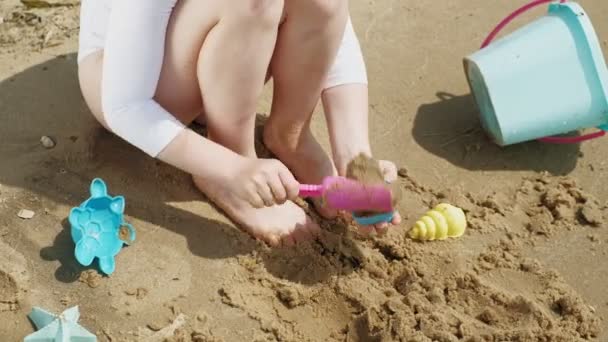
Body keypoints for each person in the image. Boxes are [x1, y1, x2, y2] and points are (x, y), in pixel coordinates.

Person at [76, 0, 402, 247]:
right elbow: (124, 105)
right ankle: (230, 155)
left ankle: (291, 136)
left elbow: (331, 21)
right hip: (125, 83)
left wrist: (356, 157)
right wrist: (233, 169)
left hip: (212, 46)